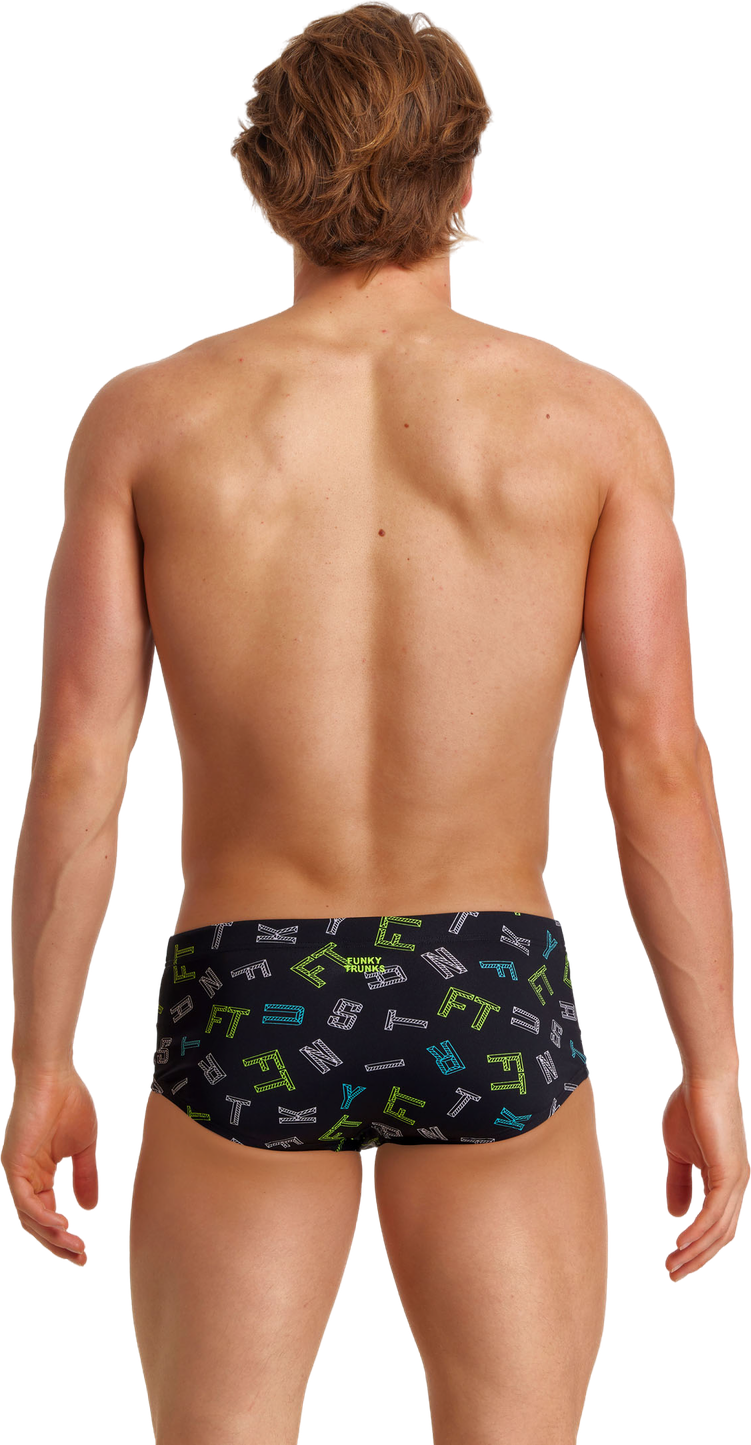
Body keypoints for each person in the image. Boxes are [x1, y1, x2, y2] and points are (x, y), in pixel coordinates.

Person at [3, 6, 748, 1444]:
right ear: (465, 175)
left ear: (266, 179)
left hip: (248, 981)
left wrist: (42, 1060)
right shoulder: (591, 420)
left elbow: (82, 757)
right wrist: (708, 1065)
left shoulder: (147, 420)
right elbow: (655, 759)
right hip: (486, 981)